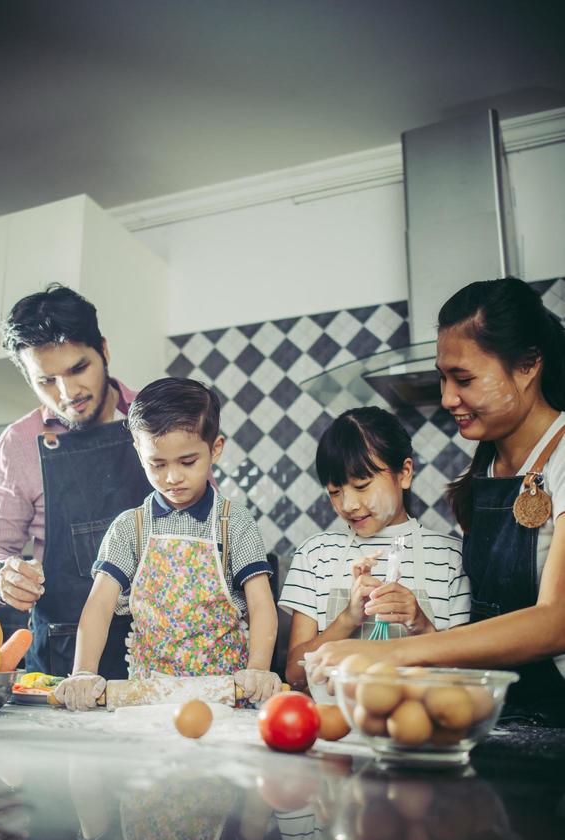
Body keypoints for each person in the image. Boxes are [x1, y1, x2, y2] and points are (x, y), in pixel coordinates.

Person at [310, 277, 565, 727]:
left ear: (528, 366)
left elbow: (557, 619)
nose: (448, 398)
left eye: (463, 379)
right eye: (443, 378)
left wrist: (397, 653)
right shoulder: (484, 472)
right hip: (494, 714)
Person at [54, 377, 280, 709]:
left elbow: (261, 605)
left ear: (215, 448)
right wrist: (83, 672)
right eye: (157, 464)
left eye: (187, 462)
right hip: (148, 698)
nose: (172, 477)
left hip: (224, 699)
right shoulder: (130, 528)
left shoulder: (234, 524)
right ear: (138, 450)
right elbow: (100, 604)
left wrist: (258, 670)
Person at [0, 284, 153, 677]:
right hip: (62, 663)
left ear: (103, 350)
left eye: (77, 369)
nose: (68, 393)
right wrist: (2, 573)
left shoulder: (158, 417)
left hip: (163, 648)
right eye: (47, 381)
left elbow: (210, 525)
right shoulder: (17, 445)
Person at [280, 406, 471, 691]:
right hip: (333, 723)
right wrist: (348, 619)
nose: (348, 505)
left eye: (362, 485)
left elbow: (465, 677)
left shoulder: (450, 558)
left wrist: (421, 624)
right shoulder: (315, 556)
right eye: (335, 492)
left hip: (419, 721)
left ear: (404, 473)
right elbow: (294, 674)